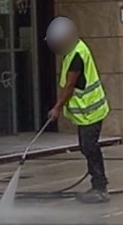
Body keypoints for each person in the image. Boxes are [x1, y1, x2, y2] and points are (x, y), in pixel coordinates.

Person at [46, 16, 111, 203]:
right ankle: (98, 183)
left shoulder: (76, 56)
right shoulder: (76, 49)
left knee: (90, 147)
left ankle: (100, 187)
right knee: (87, 147)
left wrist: (57, 108)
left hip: (92, 110)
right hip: (86, 113)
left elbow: (69, 86)